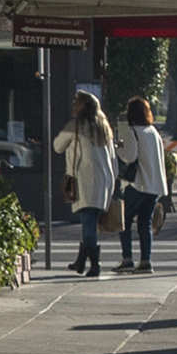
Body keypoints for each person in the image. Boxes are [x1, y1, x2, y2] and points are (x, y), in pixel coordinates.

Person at [51, 87, 120, 276]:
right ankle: (81, 261)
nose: (73, 105)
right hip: (105, 181)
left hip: (85, 180)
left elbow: (57, 146)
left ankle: (95, 264)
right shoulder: (104, 127)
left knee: (88, 223)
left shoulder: (76, 126)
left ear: (82, 107)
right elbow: (113, 158)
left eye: (76, 102)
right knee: (89, 221)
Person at [116, 94, 176, 275]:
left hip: (138, 185)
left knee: (124, 221)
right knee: (145, 223)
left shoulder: (133, 131)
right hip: (154, 186)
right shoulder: (153, 132)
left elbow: (130, 156)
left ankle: (127, 259)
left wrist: (118, 147)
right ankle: (146, 261)